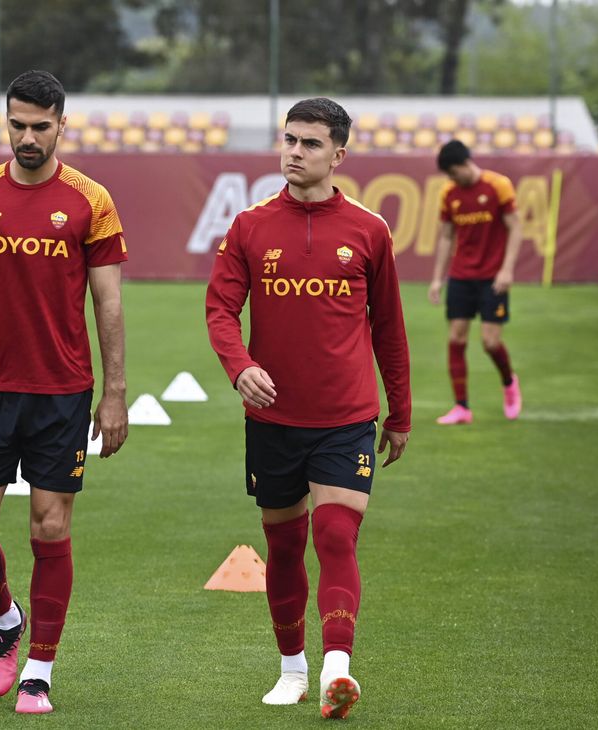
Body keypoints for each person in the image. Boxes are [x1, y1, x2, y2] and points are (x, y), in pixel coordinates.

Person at [0, 70, 128, 716]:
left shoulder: (91, 200)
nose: (27, 137)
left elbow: (108, 301)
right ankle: (7, 620)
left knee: (50, 524)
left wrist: (114, 391)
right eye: (17, 125)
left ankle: (39, 669)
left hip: (61, 391)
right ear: (5, 123)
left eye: (40, 126)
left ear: (63, 124)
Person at [206, 97, 411, 720]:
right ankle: (292, 669)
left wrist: (398, 413)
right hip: (273, 419)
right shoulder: (248, 226)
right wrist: (241, 369)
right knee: (286, 544)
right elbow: (220, 310)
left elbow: (390, 331)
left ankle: (336, 667)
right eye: (289, 140)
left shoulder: (370, 231)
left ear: (339, 155)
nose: (294, 151)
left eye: (311, 143)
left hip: (346, 415)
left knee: (334, 532)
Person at [428, 139, 523, 424]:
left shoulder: (499, 186)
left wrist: (507, 270)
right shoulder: (449, 193)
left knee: (490, 343)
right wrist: (437, 279)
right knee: (456, 338)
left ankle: (509, 383)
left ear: (461, 165)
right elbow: (446, 236)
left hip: (492, 277)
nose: (451, 179)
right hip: (461, 276)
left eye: (452, 173)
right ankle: (462, 407)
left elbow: (516, 227)